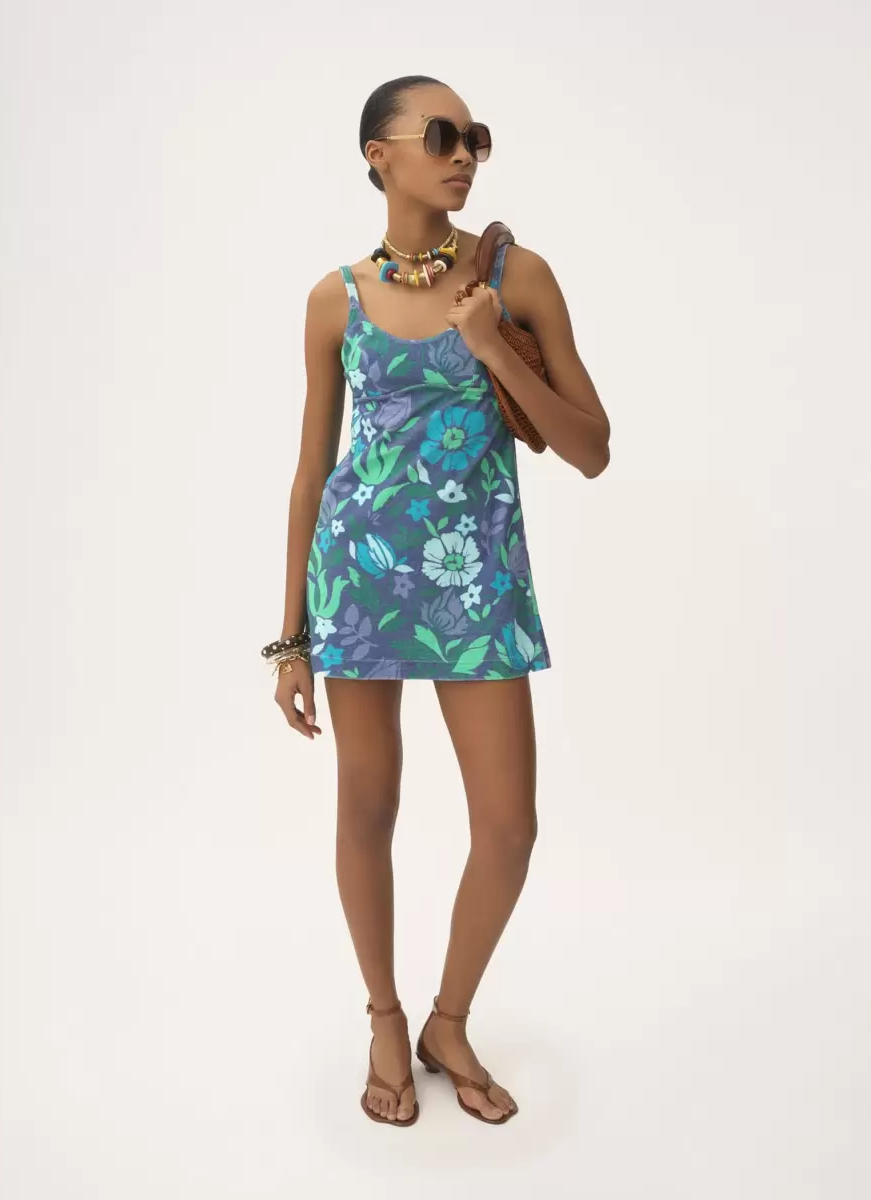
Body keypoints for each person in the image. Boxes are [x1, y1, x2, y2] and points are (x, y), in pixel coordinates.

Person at [266, 75, 610, 1126]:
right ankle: (385, 1015)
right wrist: (290, 637)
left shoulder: (516, 275)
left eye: (476, 139)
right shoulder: (332, 298)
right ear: (380, 155)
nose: (465, 155)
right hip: (360, 577)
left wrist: (494, 344)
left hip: (478, 583)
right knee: (367, 805)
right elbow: (313, 468)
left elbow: (591, 449)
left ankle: (447, 1021)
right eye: (443, 135)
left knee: (509, 825)